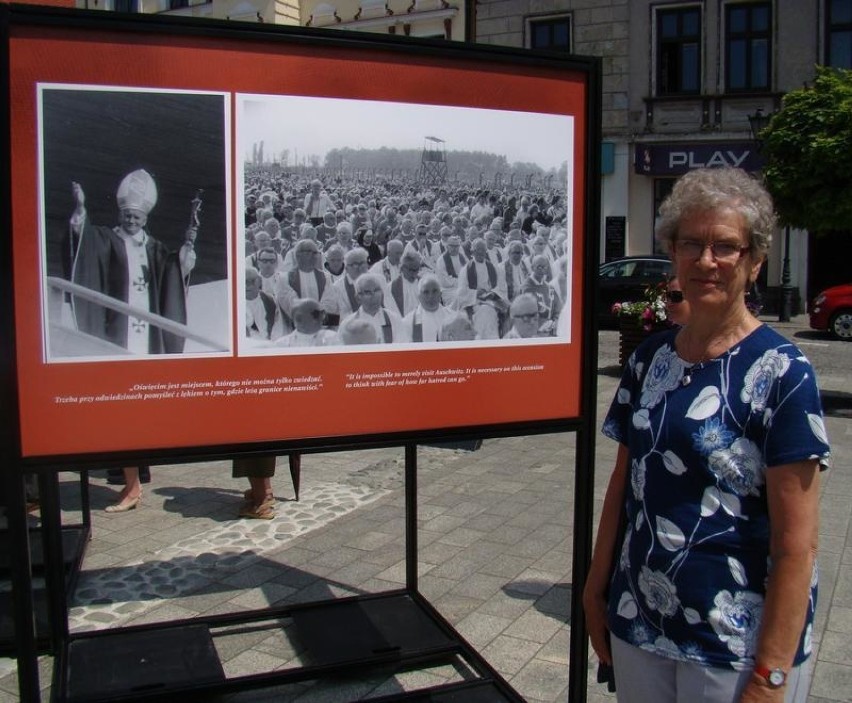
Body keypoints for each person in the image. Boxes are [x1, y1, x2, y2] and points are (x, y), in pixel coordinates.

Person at [583, 167, 830, 703]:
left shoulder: (783, 373)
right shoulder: (651, 358)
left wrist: (770, 677)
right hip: (641, 619)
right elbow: (625, 484)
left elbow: (797, 545)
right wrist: (594, 588)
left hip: (734, 644)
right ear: (672, 253)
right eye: (690, 243)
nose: (705, 260)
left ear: (755, 261)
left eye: (725, 246)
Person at [66, 170, 196, 355]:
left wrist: (186, 251)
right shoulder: (109, 238)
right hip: (115, 320)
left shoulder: (155, 249)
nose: (131, 221)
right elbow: (86, 240)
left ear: (145, 220)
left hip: (149, 324)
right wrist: (80, 209)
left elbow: (172, 270)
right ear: (120, 216)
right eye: (127, 215)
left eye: (136, 217)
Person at [340, 273, 405, 344]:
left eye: (377, 290)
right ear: (358, 298)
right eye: (368, 292)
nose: (374, 296)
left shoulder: (394, 319)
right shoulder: (347, 324)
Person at [402, 274, 454, 343]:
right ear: (419, 297)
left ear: (440, 294)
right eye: (426, 292)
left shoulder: (452, 317)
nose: (431, 296)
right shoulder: (408, 322)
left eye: (435, 291)